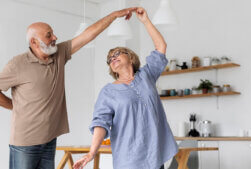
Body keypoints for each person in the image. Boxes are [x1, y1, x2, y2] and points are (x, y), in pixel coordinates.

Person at [0, 7, 137, 169]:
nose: (55, 37)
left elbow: (88, 35)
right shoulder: (17, 64)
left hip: (49, 140)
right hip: (25, 143)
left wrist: (113, 15)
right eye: (48, 35)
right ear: (34, 42)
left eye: (53, 33)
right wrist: (16, 107)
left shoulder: (59, 53)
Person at [73, 7, 178, 169]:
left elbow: (161, 46)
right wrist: (91, 152)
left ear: (130, 57)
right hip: (129, 160)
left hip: (155, 156)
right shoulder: (108, 92)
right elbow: (100, 122)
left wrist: (145, 21)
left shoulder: (146, 76)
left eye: (117, 54)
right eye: (109, 59)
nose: (112, 58)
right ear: (111, 68)